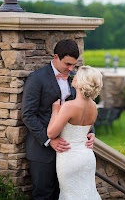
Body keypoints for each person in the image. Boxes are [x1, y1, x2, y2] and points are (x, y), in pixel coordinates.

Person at [21, 39, 95, 200]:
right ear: (56, 57)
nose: (71, 69)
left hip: (70, 153)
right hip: (43, 151)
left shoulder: (75, 79)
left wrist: (90, 132)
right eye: (67, 64)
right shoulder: (37, 78)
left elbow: (84, 106)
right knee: (44, 195)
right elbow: (28, 114)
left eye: (73, 65)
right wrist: (49, 140)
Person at [47, 65, 102, 200]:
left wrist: (55, 111)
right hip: (87, 157)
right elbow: (86, 130)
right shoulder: (94, 107)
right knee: (88, 193)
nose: (74, 75)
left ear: (81, 82)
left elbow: (51, 134)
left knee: (70, 195)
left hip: (69, 158)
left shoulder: (69, 106)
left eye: (77, 75)